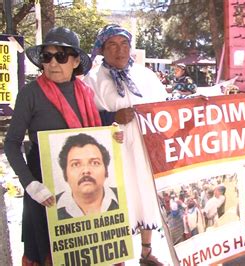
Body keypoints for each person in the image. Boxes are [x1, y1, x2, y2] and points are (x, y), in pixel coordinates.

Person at [4, 27, 100, 265]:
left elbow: (96, 137)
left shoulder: (86, 92)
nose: (53, 63)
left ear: (75, 60)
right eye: (47, 56)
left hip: (82, 188)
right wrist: (30, 184)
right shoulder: (30, 94)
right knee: (47, 252)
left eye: (61, 56)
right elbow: (12, 144)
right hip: (43, 187)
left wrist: (112, 138)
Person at [84, 24, 167, 265]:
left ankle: (147, 250)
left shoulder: (146, 75)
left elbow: (166, 106)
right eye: (112, 45)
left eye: (124, 45)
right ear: (102, 49)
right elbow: (85, 118)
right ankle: (115, 256)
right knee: (117, 197)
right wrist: (112, 118)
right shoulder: (93, 79)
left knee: (145, 193)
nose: (120, 51)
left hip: (144, 148)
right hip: (112, 149)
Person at [56, 133, 118, 219]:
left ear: (106, 170)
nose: (86, 171)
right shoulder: (51, 205)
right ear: (65, 173)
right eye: (76, 164)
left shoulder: (124, 196)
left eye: (95, 163)